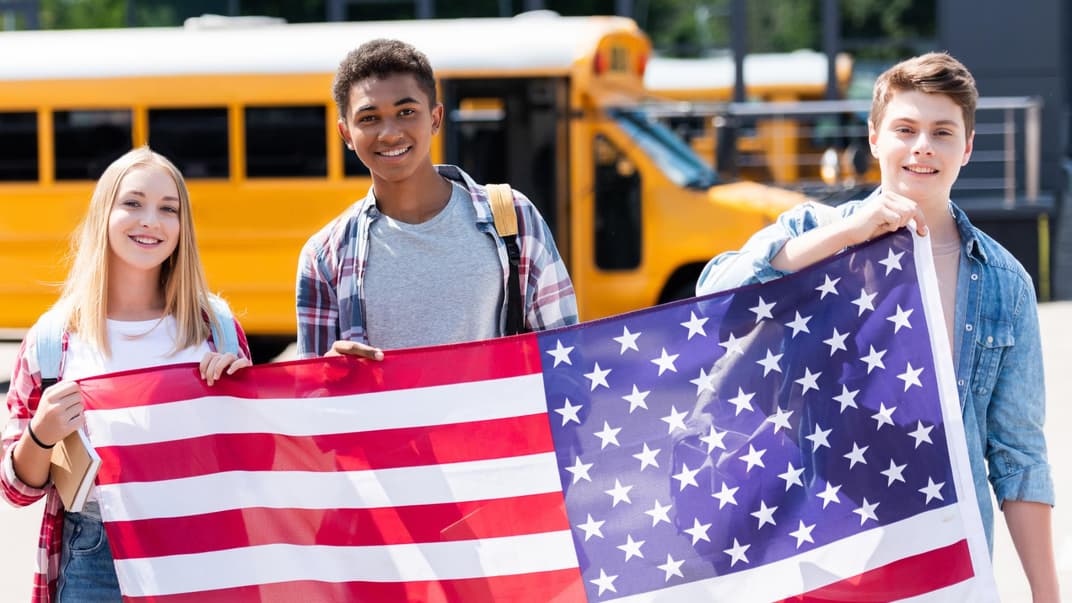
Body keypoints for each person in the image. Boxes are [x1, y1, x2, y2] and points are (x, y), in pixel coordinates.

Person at [696, 52, 1059, 602]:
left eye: (942, 132)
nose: (922, 147)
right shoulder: (813, 231)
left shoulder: (1004, 283)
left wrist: (1046, 593)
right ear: (873, 137)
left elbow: (1018, 457)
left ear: (967, 147)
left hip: (940, 560)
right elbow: (716, 298)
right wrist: (847, 234)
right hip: (816, 555)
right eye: (906, 129)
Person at [0, 147, 251, 602]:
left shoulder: (216, 329)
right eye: (132, 203)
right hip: (99, 553)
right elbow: (16, 488)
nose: (150, 220)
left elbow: (259, 462)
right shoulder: (54, 340)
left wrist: (245, 396)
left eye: (168, 209)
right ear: (104, 215)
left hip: (202, 545)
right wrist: (41, 433)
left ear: (183, 226)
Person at [296, 38, 577, 359]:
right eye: (369, 118)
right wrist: (328, 376)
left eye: (406, 112)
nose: (389, 133)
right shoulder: (325, 256)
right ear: (346, 133)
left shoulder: (512, 217)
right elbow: (313, 397)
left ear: (435, 119)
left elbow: (563, 358)